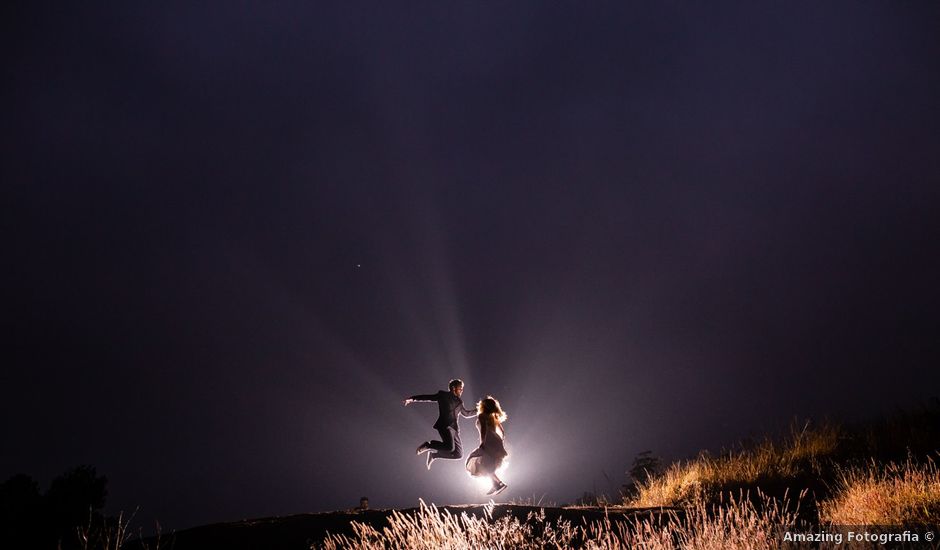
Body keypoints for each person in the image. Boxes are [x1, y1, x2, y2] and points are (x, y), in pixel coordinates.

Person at [404, 379, 477, 470]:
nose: (461, 391)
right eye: (460, 388)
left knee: (459, 454)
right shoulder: (443, 395)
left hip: (454, 429)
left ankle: (434, 455)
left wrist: (479, 410)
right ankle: (428, 445)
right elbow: (427, 397)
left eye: (462, 389)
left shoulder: (459, 402)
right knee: (450, 448)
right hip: (445, 426)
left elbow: (466, 414)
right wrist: (412, 399)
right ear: (453, 388)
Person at [465, 396, 509, 495]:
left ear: (483, 406)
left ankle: (499, 483)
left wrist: (482, 442)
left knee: (477, 461)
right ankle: (496, 484)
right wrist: (501, 440)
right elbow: (502, 431)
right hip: (495, 440)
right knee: (486, 464)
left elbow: (483, 430)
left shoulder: (482, 416)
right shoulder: (493, 416)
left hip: (488, 440)